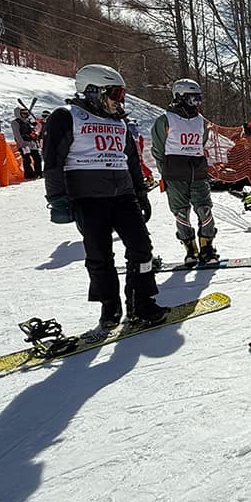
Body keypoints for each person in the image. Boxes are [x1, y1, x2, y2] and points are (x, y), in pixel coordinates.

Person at [42, 63, 166, 329]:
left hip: (123, 196)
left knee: (142, 249)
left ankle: (141, 302)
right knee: (99, 255)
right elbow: (52, 160)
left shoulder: (119, 122)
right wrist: (57, 198)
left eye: (122, 95)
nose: (119, 100)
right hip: (88, 198)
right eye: (115, 94)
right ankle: (109, 306)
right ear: (93, 91)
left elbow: (131, 160)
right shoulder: (67, 116)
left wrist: (140, 192)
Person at [151, 78, 218, 265]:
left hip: (197, 172)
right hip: (175, 174)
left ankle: (207, 248)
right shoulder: (165, 120)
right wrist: (165, 172)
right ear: (180, 97)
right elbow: (158, 149)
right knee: (181, 213)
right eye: (192, 99)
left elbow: (202, 142)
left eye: (198, 99)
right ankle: (190, 250)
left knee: (205, 209)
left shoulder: (200, 121)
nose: (196, 103)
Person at [11, 105, 42, 179]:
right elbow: (17, 134)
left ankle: (38, 172)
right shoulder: (15, 122)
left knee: (37, 158)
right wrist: (22, 144)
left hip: (31, 143)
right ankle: (29, 174)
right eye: (24, 113)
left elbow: (35, 130)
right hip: (24, 144)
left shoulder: (27, 122)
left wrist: (36, 127)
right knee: (27, 160)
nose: (26, 115)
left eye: (26, 113)